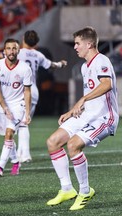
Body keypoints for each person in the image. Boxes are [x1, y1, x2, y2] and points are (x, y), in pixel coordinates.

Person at [46, 26, 119, 211]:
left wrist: (82, 99)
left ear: (90, 43)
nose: (75, 47)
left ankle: (85, 191)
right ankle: (67, 189)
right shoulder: (85, 66)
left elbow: (106, 84)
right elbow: (90, 96)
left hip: (104, 117)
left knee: (73, 145)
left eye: (78, 43)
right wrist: (72, 111)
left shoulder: (101, 61)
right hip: (87, 115)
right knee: (53, 141)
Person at [16, 30, 67, 163]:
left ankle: (24, 154)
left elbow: (1, 57)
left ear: (23, 39)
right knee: (23, 124)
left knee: (21, 124)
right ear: (36, 43)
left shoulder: (17, 53)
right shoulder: (38, 55)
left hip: (21, 91)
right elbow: (52, 65)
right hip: (34, 91)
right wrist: (61, 63)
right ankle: (20, 153)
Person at [0, 38, 32, 177]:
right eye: (8, 48)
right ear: (4, 51)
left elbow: (27, 91)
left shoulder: (25, 68)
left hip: (18, 105)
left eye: (14, 48)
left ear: (18, 50)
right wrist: (4, 107)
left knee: (9, 134)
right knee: (7, 138)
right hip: (2, 105)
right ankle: (15, 161)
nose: (11, 51)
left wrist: (27, 112)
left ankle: (0, 166)